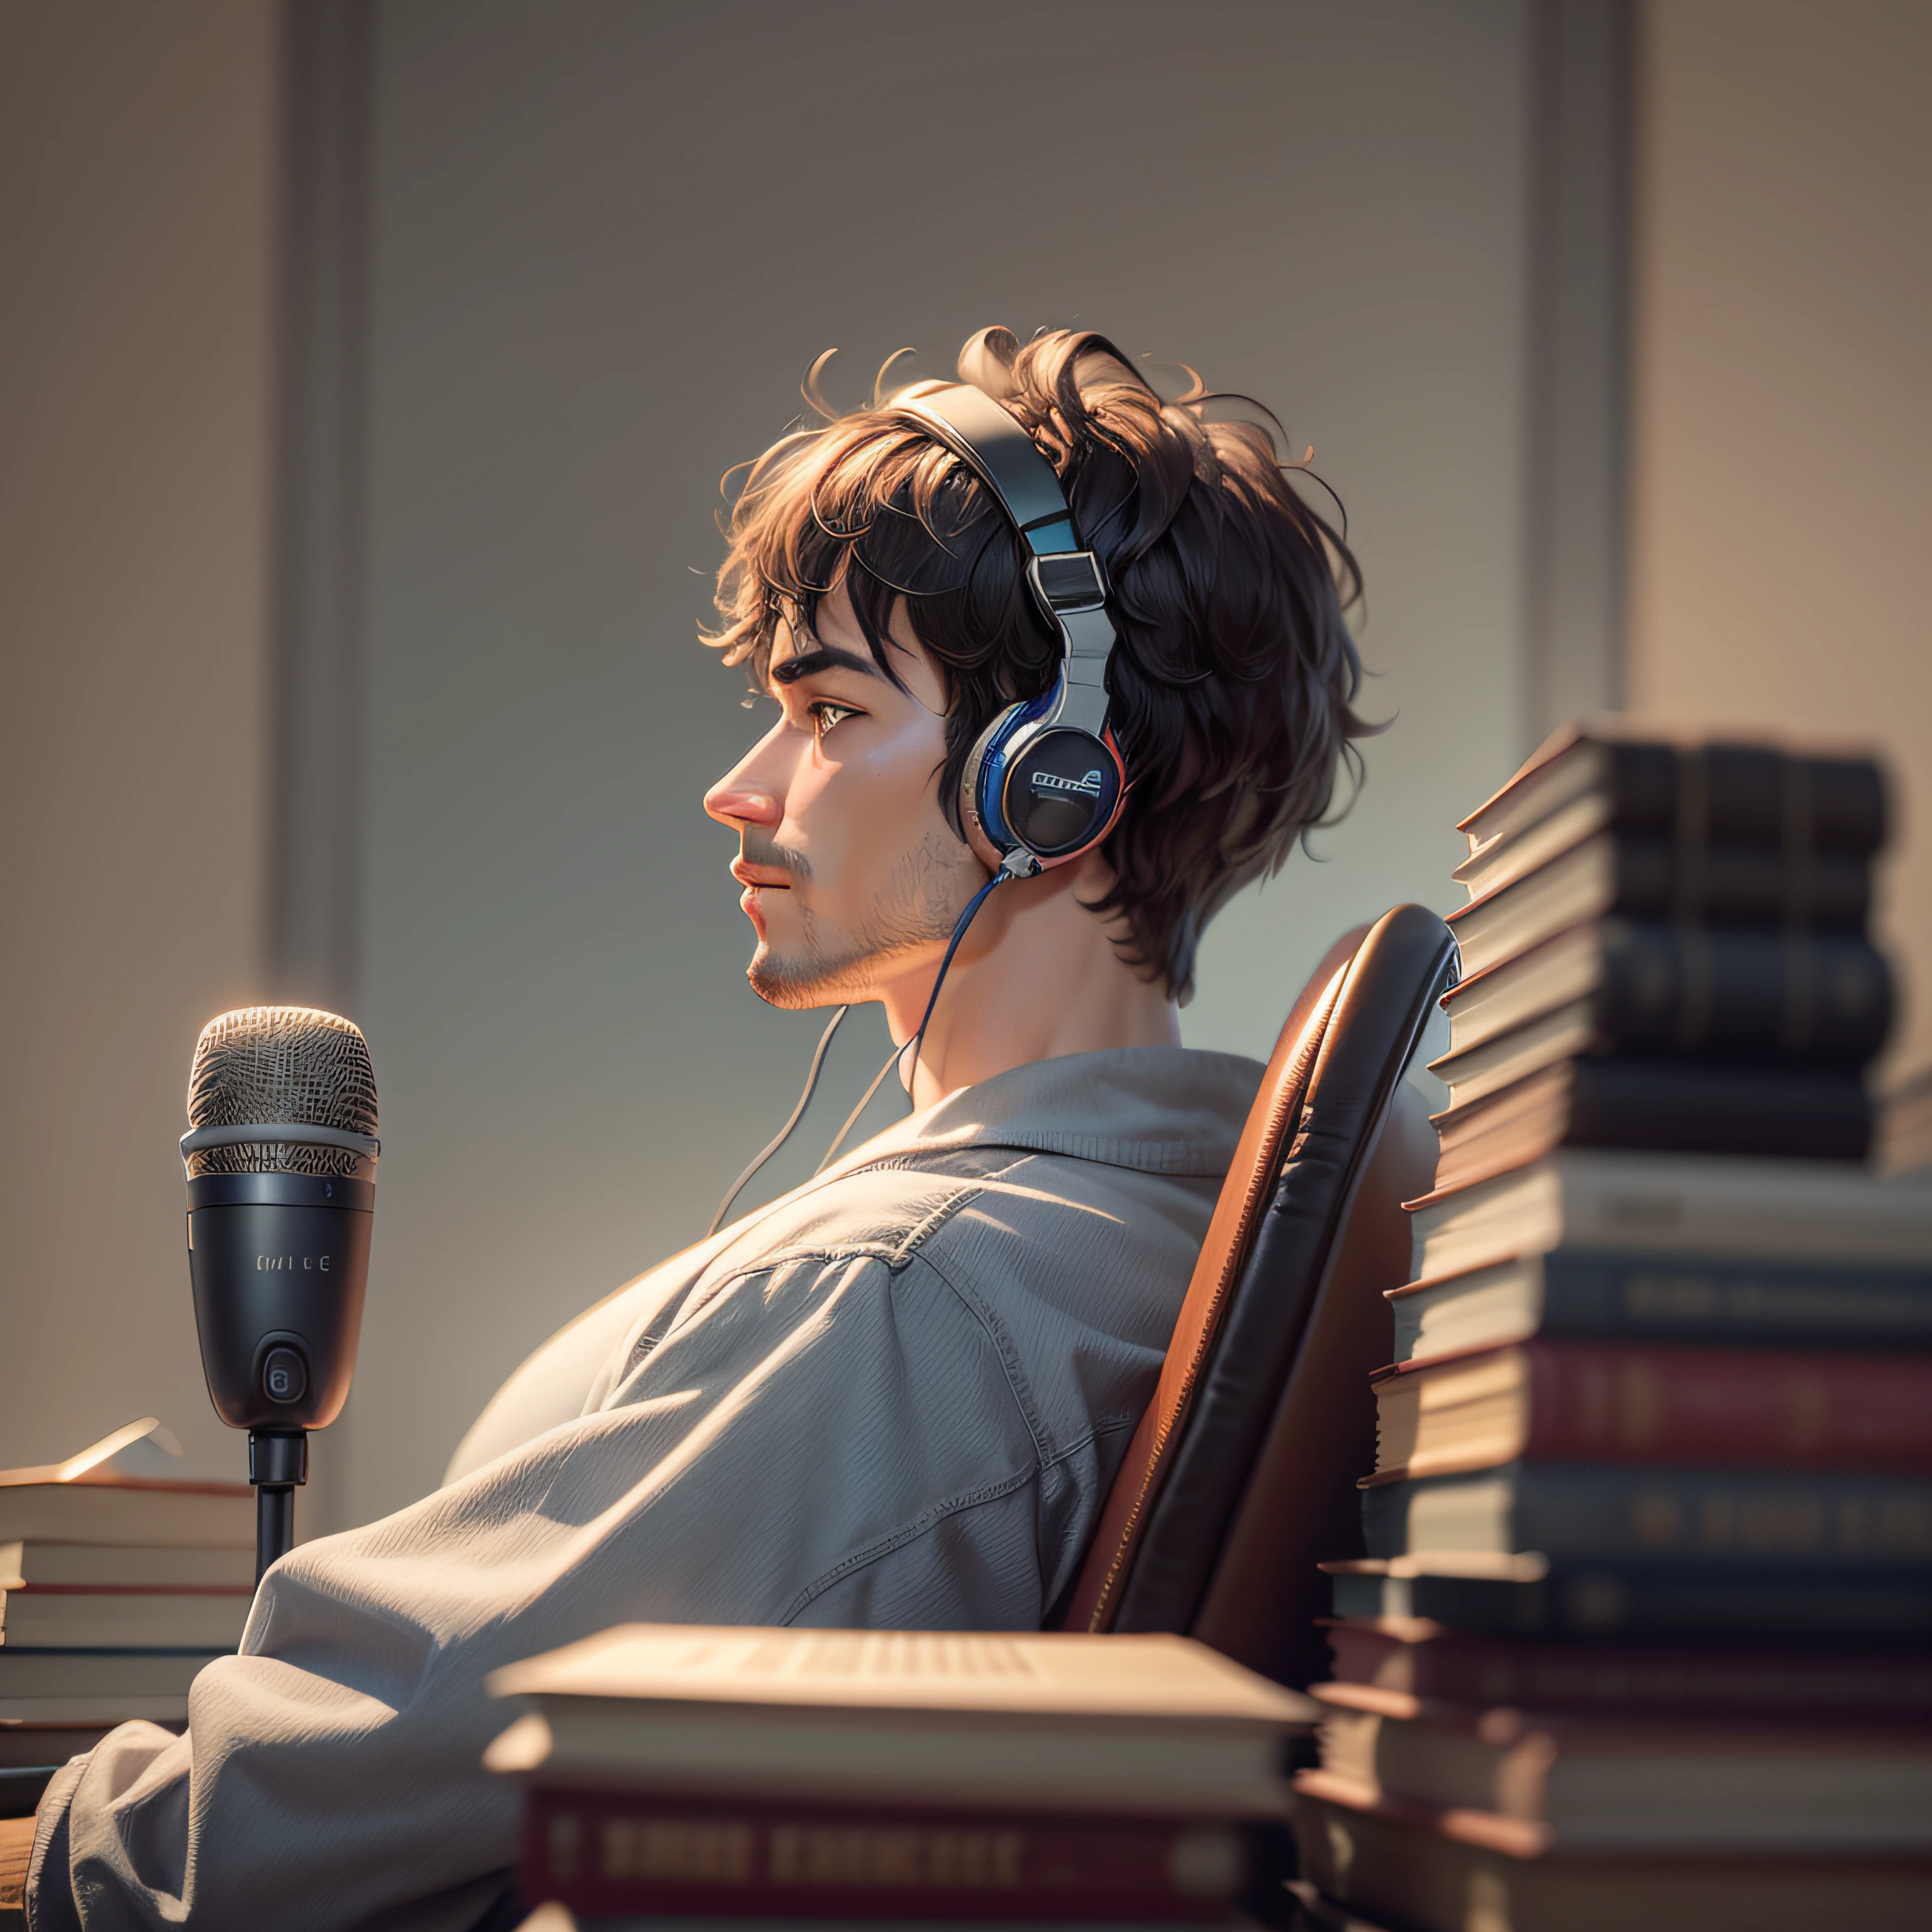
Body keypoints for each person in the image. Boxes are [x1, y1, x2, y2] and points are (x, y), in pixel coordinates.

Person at [23, 326, 1369, 1928]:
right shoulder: (1165, 1225)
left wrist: (51, 1850)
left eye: (827, 711)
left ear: (1059, 787)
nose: (743, 785)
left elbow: (247, 1856)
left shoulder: (904, 1299)